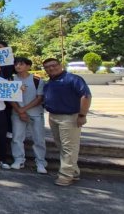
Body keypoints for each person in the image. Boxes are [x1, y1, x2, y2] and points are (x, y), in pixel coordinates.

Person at [41, 58, 91, 186]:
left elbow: (86, 96)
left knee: (69, 147)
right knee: (61, 146)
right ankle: (74, 172)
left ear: (60, 65)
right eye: (47, 67)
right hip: (53, 116)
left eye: (53, 65)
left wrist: (82, 115)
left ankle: (65, 176)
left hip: (69, 118)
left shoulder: (73, 79)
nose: (51, 68)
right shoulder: (49, 82)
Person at [9, 57, 47, 174]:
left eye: (21, 64)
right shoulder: (11, 80)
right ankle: (19, 160)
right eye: (16, 64)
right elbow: (9, 97)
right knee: (17, 138)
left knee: (39, 139)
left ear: (28, 66)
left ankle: (40, 162)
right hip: (17, 113)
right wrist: (19, 111)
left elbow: (39, 98)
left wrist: (23, 110)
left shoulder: (37, 80)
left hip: (35, 114)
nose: (18, 66)